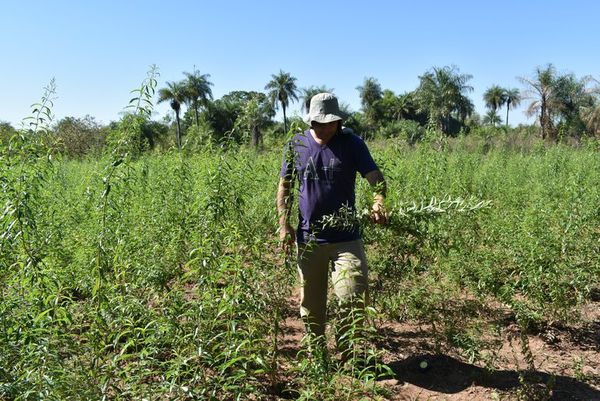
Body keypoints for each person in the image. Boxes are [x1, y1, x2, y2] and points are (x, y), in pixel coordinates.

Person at [276, 92, 387, 345]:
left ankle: (350, 354)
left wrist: (378, 202)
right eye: (319, 122)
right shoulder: (297, 144)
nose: (325, 128)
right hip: (309, 238)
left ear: (338, 122)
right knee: (312, 306)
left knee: (353, 297)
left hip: (346, 238)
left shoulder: (353, 144)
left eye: (330, 122)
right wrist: (284, 224)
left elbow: (376, 179)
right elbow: (285, 186)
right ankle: (317, 357)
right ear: (311, 121)